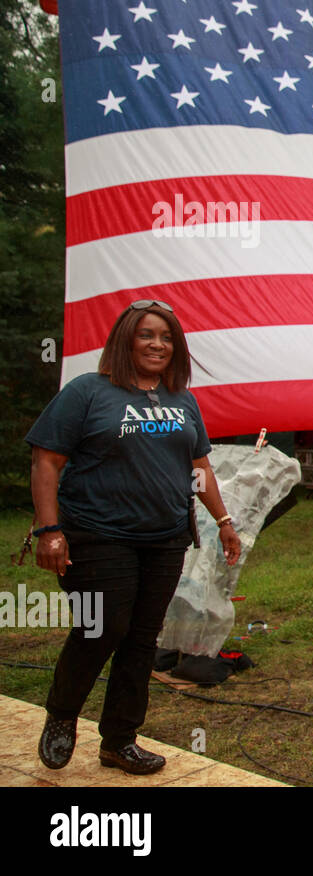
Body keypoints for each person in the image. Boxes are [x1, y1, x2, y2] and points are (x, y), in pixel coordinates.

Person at [25, 301, 241, 775]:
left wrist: (224, 521)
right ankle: (62, 717)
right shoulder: (87, 392)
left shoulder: (181, 399)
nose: (157, 344)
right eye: (146, 335)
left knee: (142, 639)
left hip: (165, 539)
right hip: (97, 535)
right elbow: (46, 460)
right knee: (103, 627)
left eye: (166, 337)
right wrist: (49, 530)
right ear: (125, 340)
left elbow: (198, 466)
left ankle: (119, 741)